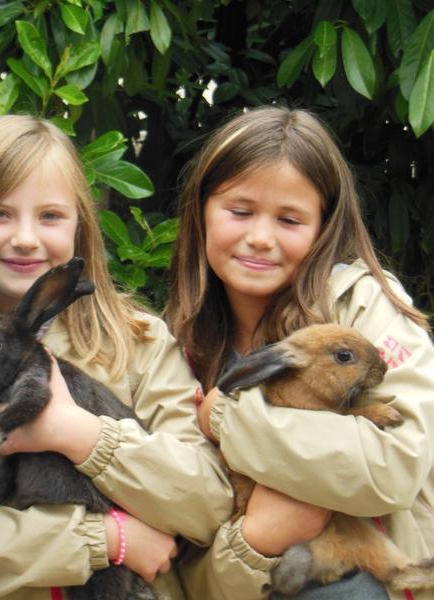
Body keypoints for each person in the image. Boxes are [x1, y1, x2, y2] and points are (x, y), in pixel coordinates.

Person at [0, 114, 233, 599]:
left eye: (50, 216)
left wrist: (83, 437)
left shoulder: (137, 341)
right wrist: (102, 539)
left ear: (81, 223)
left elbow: (207, 503)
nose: (25, 237)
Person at [164, 106, 434, 599]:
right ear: (201, 210)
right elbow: (182, 542)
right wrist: (256, 541)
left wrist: (225, 418)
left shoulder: (365, 305)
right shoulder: (176, 347)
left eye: (289, 219)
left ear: (322, 227)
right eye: (240, 211)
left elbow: (392, 466)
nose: (261, 237)